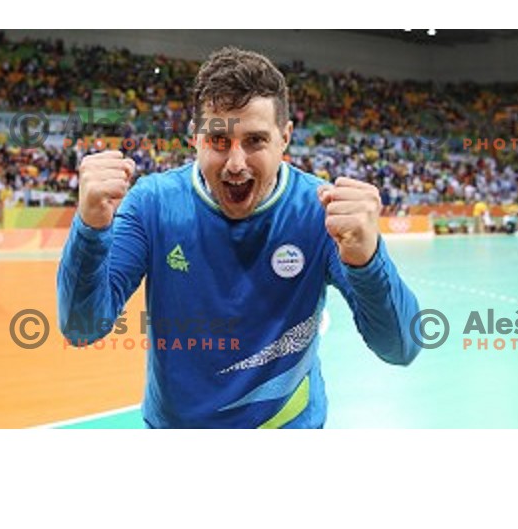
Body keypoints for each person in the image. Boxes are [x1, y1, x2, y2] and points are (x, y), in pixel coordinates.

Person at [57, 47, 421, 429]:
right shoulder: (153, 205)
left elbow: (401, 347)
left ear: (285, 138)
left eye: (255, 141)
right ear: (194, 138)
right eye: (218, 140)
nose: (235, 164)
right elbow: (82, 327)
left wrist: (368, 260)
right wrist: (91, 228)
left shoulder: (320, 212)